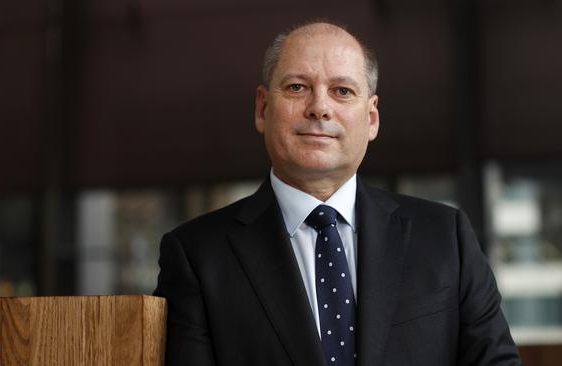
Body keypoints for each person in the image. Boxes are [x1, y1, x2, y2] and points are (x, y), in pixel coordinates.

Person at [154, 20, 521, 366]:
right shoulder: (197, 256)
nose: (320, 108)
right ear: (263, 108)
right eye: (297, 87)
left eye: (342, 91)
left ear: (371, 118)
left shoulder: (445, 237)